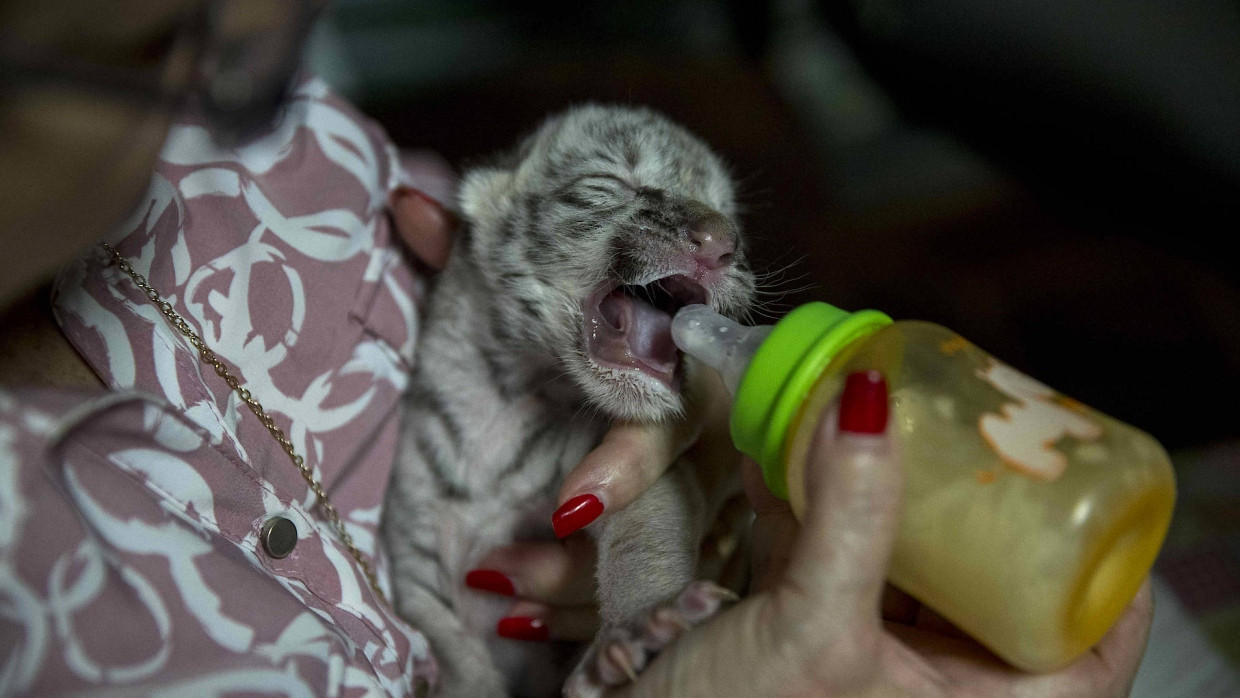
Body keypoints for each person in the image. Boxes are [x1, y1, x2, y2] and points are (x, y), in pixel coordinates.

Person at [0, 1, 1151, 695]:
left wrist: (702, 436)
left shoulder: (261, 134)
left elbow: (488, 226)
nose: (250, 41)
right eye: (151, 39)